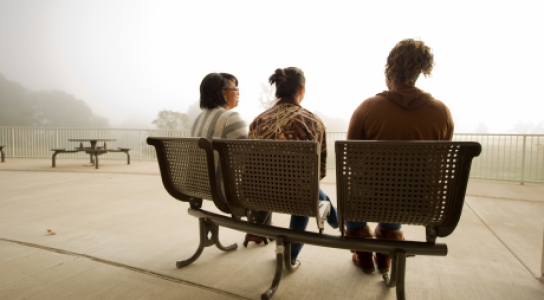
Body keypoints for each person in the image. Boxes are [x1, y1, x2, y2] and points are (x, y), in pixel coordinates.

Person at [345, 39, 454, 274]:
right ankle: (385, 255)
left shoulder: (367, 108)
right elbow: (441, 162)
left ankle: (363, 253)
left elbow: (351, 161)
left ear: (389, 72)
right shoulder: (441, 112)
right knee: (400, 190)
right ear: (418, 73)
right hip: (419, 204)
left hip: (369, 201)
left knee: (358, 191)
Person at [248, 67, 339, 266]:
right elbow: (319, 173)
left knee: (307, 189)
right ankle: (337, 223)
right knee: (307, 189)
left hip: (260, 195)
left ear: (278, 90)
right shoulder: (312, 122)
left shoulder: (257, 122)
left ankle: (339, 221)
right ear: (301, 90)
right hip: (298, 197)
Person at [191, 72, 270, 245]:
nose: (238, 93)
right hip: (224, 191)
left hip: (200, 187)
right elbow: (250, 161)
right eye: (235, 88)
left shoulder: (199, 119)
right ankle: (258, 230)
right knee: (268, 175)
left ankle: (256, 230)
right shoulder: (230, 118)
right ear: (222, 92)